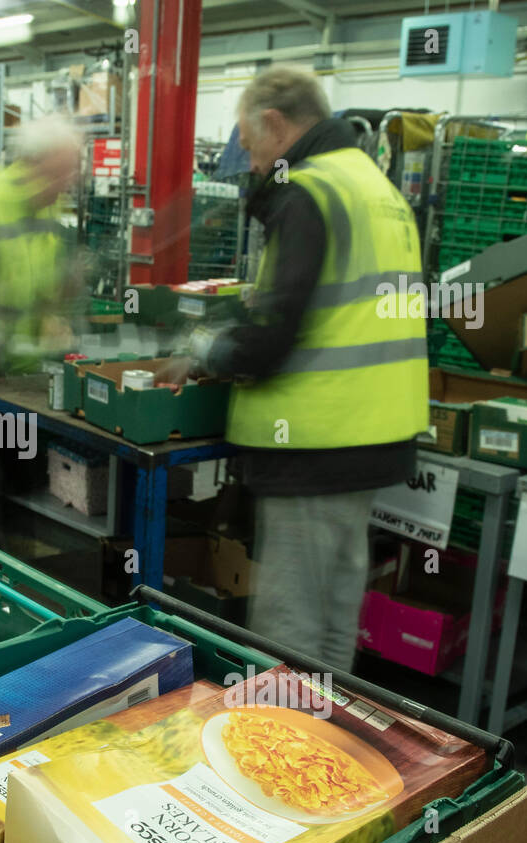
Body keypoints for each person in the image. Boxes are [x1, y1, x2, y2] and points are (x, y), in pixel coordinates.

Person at [160, 67, 428, 672]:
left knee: (287, 635)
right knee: (333, 624)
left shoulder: (308, 190)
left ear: (275, 125)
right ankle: (328, 751)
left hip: (314, 440)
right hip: (375, 436)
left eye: (251, 147)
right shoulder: (375, 186)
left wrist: (203, 347)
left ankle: (277, 758)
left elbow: (269, 343)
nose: (252, 164)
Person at [0, 116, 83, 378]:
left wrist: (54, 318)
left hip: (24, 377)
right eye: (61, 172)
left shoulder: (47, 211)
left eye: (72, 172)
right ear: (31, 163)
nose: (70, 183)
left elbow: (43, 297)